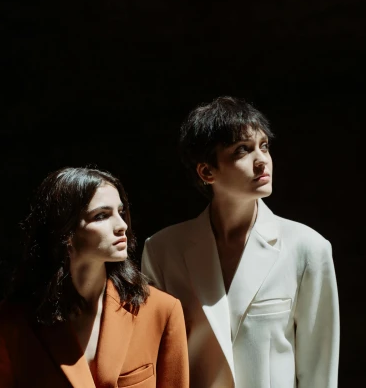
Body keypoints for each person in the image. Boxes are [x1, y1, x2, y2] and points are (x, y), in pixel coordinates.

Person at [142, 97, 339, 388]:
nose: (261, 160)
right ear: (207, 172)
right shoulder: (162, 251)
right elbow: (154, 360)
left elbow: (319, 371)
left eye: (264, 146)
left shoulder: (308, 248)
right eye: (242, 150)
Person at [0, 167, 189, 388]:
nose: (122, 225)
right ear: (65, 233)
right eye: (102, 216)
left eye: (121, 211)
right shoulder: (4, 324)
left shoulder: (161, 311)